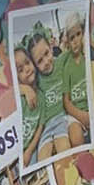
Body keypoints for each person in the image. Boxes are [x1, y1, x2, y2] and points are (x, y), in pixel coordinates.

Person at [27, 32, 72, 161]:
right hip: (45, 127)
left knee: (64, 150)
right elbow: (16, 86)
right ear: (35, 66)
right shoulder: (36, 79)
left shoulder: (61, 62)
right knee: (42, 160)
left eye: (47, 53)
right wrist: (26, 89)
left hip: (62, 119)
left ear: (51, 48)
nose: (46, 62)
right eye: (40, 61)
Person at [56, 13, 91, 147]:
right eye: (72, 38)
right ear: (67, 42)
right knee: (76, 137)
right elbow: (67, 102)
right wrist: (81, 116)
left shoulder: (88, 59)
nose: (76, 40)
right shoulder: (67, 66)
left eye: (78, 34)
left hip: (92, 109)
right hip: (75, 114)